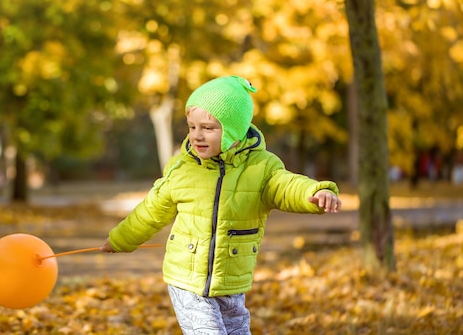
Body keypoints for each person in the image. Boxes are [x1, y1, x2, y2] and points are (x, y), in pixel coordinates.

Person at [101, 75, 341, 334]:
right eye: (192, 127)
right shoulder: (183, 169)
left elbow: (288, 186)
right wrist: (119, 240)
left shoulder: (261, 167)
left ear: (234, 131)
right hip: (187, 282)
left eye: (208, 128)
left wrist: (316, 192)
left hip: (231, 281)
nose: (197, 136)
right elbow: (150, 213)